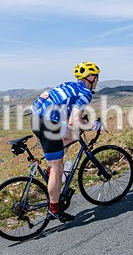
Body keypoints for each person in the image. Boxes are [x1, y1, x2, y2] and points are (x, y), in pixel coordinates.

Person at [31, 61, 101, 222]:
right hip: (48, 126)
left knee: (73, 135)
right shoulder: (85, 93)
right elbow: (74, 122)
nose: (97, 80)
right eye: (96, 77)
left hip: (37, 120)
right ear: (90, 77)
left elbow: (57, 104)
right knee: (57, 166)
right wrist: (95, 125)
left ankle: (52, 170)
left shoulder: (68, 85)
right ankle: (54, 209)